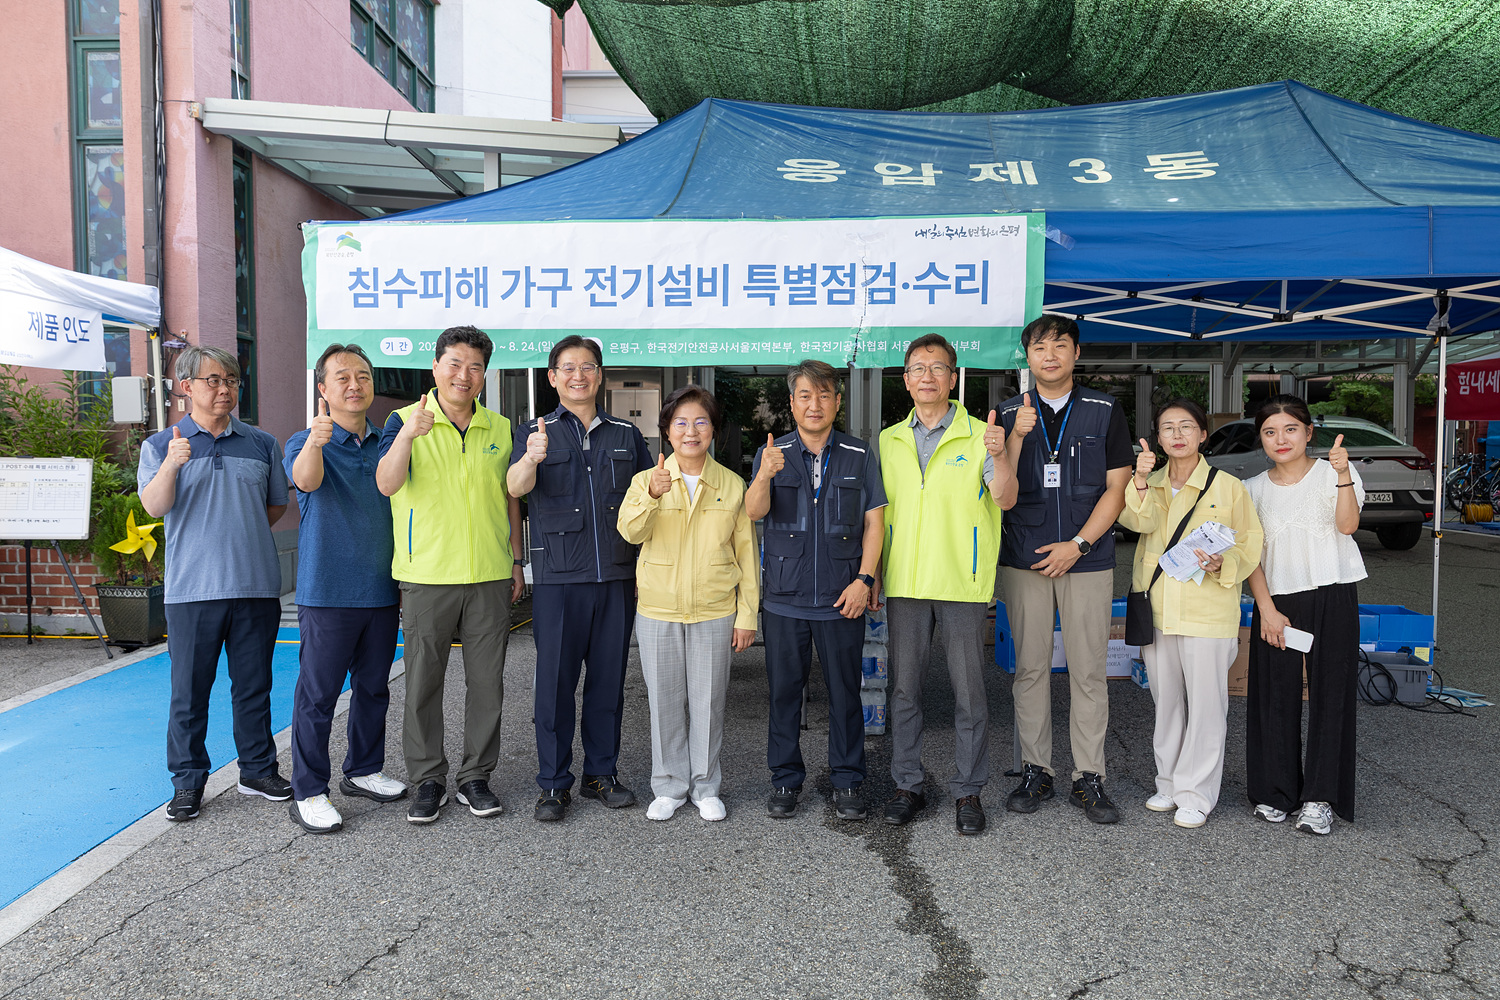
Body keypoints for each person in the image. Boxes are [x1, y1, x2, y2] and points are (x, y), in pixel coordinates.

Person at [376, 326, 525, 825]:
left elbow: (511, 500)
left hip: (488, 574)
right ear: (436, 367)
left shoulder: (500, 428)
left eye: (476, 367)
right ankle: (428, 780)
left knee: (488, 684)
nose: (465, 375)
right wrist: (406, 435)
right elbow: (386, 483)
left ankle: (476, 776)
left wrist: (516, 561)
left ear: (485, 374)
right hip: (426, 575)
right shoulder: (403, 420)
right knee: (422, 682)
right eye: (455, 364)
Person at [139, 345, 290, 821]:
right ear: (186, 387)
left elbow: (275, 506)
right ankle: (188, 784)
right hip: (191, 591)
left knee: (254, 686)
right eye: (212, 380)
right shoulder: (162, 444)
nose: (224, 389)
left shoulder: (261, 442)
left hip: (255, 586)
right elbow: (154, 507)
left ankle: (258, 770)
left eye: (231, 380)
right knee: (189, 693)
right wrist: (172, 464)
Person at [507, 336, 653, 822]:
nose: (578, 375)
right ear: (552, 377)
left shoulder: (626, 435)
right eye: (567, 368)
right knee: (554, 684)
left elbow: (646, 502)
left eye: (587, 366)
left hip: (615, 576)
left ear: (599, 375)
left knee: (608, 682)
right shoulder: (535, 431)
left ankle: (601, 774)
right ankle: (553, 784)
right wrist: (531, 457)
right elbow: (515, 488)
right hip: (558, 579)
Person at [998, 315, 1134, 825]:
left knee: (1088, 669)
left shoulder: (1104, 409)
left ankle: (1088, 777)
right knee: (1030, 668)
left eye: (1060, 345)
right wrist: (1013, 437)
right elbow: (999, 492)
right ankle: (1037, 769)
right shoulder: (1007, 413)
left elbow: (1116, 489)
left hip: (1087, 558)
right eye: (1039, 346)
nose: (1049, 354)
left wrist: (1078, 544)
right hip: (1026, 556)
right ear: (1026, 356)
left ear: (1077, 354)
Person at [879, 334, 1014, 836]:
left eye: (938, 367)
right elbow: (880, 513)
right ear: (907, 380)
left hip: (961, 579)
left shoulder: (983, 434)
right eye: (918, 368)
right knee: (905, 689)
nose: (928, 375)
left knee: (968, 692)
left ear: (954, 378)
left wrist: (1000, 456)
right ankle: (907, 784)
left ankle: (969, 790)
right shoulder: (889, 440)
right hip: (906, 582)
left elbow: (1004, 499)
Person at [745, 360, 886, 821]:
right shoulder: (772, 452)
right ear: (791, 402)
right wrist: (764, 474)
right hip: (785, 597)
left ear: (837, 402)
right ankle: (785, 780)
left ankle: (847, 781)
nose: (815, 404)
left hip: (841, 596)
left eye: (824, 395)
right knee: (785, 691)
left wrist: (865, 579)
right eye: (805, 395)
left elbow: (874, 522)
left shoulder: (860, 455)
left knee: (846, 692)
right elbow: (753, 511)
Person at [1117, 398, 1263, 830]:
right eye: (1167, 428)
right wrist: (1139, 480)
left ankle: (1196, 793)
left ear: (1202, 434)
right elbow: (1136, 524)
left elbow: (1250, 544)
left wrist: (1225, 564)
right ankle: (1167, 782)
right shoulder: (1149, 482)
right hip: (1158, 610)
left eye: (1186, 426)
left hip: (1207, 611)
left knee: (1205, 707)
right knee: (1166, 703)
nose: (1177, 435)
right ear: (1157, 439)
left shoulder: (1228, 487)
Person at [618, 386, 758, 823]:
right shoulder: (647, 479)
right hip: (658, 608)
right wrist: (653, 495)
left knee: (709, 701)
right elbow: (629, 533)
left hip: (715, 608)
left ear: (713, 430)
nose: (691, 431)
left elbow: (747, 556)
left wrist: (748, 615)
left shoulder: (732, 485)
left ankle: (706, 785)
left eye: (700, 422)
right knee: (663, 701)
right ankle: (669, 786)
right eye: (680, 422)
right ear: (666, 431)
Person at [282, 344, 406, 834]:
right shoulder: (305, 440)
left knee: (374, 689)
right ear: (323, 389)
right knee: (318, 696)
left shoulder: (387, 440)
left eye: (362, 376)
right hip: (327, 591)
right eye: (342, 378)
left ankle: (363, 769)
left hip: (381, 588)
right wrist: (316, 440)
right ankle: (308, 790)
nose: (354, 385)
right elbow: (305, 482)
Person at [1243, 394, 1366, 837]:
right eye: (1270, 432)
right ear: (1261, 438)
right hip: (1277, 600)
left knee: (1331, 695)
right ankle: (1276, 792)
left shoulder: (1335, 473)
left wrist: (1341, 475)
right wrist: (1266, 609)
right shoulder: (1252, 488)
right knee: (1274, 694)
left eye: (1290, 429)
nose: (1281, 439)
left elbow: (1348, 526)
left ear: (1308, 432)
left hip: (1332, 592)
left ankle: (1320, 798)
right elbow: (1250, 556)